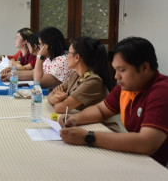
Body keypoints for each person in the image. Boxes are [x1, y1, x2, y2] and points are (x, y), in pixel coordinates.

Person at [59, 37, 168, 166]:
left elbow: (147, 143)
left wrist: (87, 137)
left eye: (122, 70)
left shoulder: (162, 92)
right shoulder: (128, 87)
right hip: (135, 158)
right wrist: (74, 119)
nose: (116, 76)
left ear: (144, 67)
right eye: (115, 70)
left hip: (154, 167)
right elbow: (100, 110)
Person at [48, 37, 112, 113]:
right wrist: (53, 98)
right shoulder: (75, 74)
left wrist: (57, 99)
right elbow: (51, 94)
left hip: (98, 124)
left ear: (77, 57)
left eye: (68, 53)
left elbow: (60, 108)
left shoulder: (93, 81)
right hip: (83, 121)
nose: (66, 56)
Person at [0, 27, 70, 87]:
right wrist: (11, 75)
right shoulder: (50, 58)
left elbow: (38, 81)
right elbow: (32, 73)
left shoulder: (61, 60)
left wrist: (40, 57)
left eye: (41, 44)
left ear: (50, 45)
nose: (40, 48)